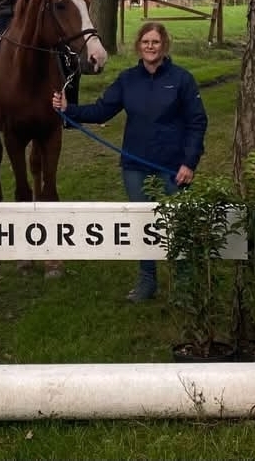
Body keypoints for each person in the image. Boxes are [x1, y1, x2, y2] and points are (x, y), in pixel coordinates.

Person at [52, 21, 208, 302]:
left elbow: (197, 122)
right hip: (135, 166)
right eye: (146, 42)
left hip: (172, 166)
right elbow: (102, 110)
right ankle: (147, 281)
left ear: (164, 46)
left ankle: (185, 285)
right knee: (143, 224)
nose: (150, 47)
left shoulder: (182, 79)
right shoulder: (128, 79)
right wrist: (69, 109)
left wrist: (189, 162)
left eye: (155, 42)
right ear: (139, 46)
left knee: (178, 223)